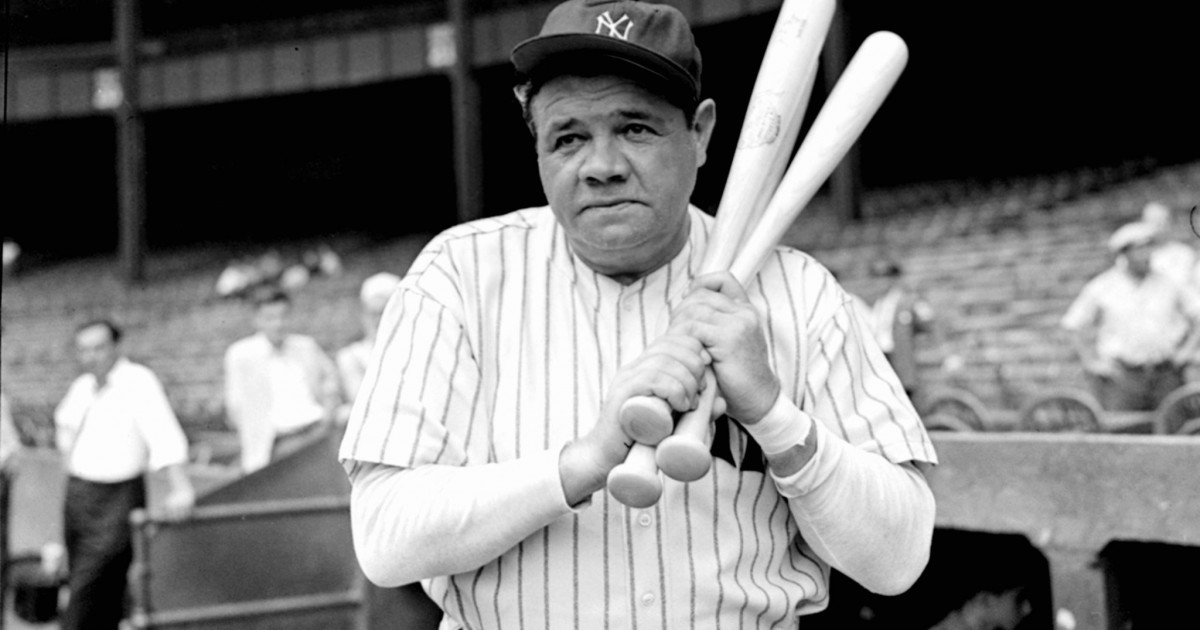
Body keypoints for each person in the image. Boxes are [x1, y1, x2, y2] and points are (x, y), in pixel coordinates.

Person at [339, 1, 937, 627]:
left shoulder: (801, 292)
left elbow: (897, 562)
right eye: (568, 137)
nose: (602, 166)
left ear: (700, 134)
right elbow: (385, 538)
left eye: (636, 129)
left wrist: (772, 415)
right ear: (537, 148)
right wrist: (583, 462)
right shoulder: (457, 277)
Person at [53, 319, 195, 630]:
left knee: (87, 589)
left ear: (116, 346)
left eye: (100, 348)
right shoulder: (82, 387)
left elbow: (164, 434)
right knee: (96, 589)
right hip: (79, 497)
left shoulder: (138, 381)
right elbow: (64, 432)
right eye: (84, 350)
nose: (92, 356)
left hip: (117, 499)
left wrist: (180, 486)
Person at [1061, 221, 1200, 411]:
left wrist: (1187, 350)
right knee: (1125, 431)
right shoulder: (1103, 286)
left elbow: (1197, 314)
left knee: (1170, 429)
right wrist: (1091, 362)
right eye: (1140, 251)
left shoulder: (1169, 283)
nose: (1147, 256)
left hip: (1166, 373)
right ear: (1125, 254)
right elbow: (1073, 324)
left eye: (1150, 249)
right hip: (1123, 377)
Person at [224, 287, 340, 474]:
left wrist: (328, 413)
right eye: (270, 318)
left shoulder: (306, 346)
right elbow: (235, 407)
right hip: (277, 443)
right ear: (256, 319)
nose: (278, 324)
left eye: (283, 316)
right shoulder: (241, 355)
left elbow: (330, 380)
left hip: (318, 432)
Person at [864, 256, 936, 399]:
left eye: (883, 277)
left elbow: (927, 322)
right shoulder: (878, 304)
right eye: (876, 278)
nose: (879, 282)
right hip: (881, 361)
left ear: (893, 279)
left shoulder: (906, 301)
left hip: (899, 360)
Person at [336, 272, 402, 421]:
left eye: (383, 313)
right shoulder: (350, 356)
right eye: (373, 314)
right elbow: (364, 404)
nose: (378, 321)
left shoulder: (415, 350)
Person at [1142, 201, 1198, 289]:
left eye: (1163, 221)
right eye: (1153, 221)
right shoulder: (1138, 256)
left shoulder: (1185, 252)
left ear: (1170, 223)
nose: (1159, 226)